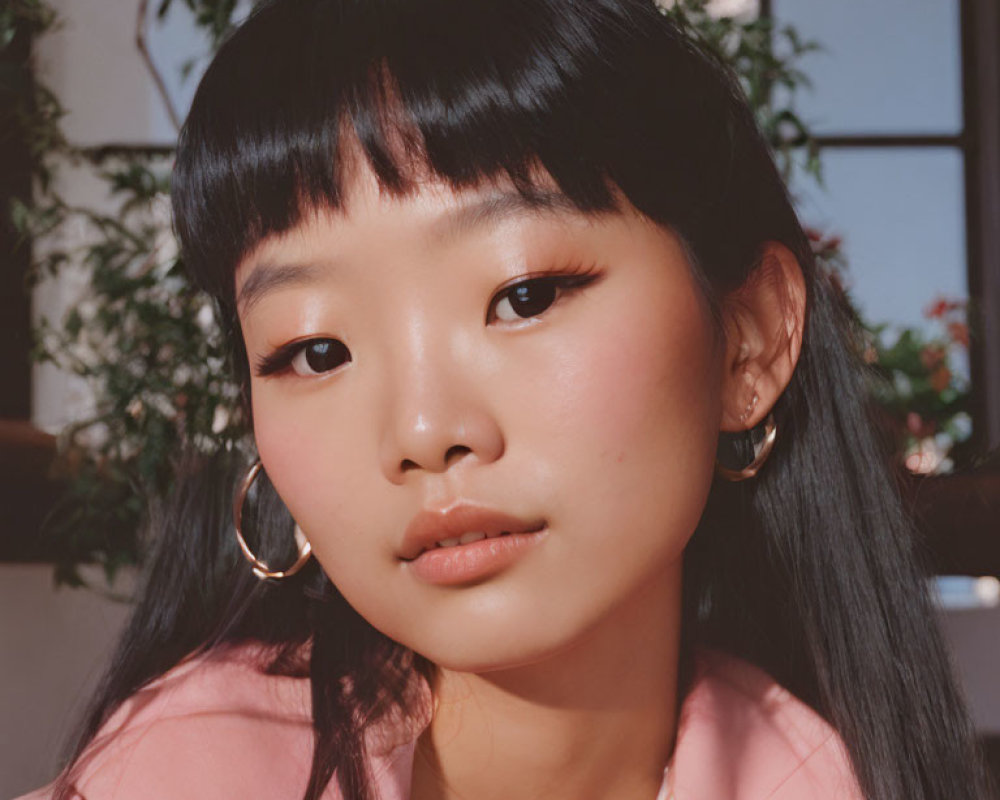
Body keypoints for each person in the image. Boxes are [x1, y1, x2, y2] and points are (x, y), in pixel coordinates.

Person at [20, 1, 995, 799]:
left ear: (746, 343)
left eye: (522, 295)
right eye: (314, 349)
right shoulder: (185, 774)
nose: (423, 431)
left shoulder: (829, 772)